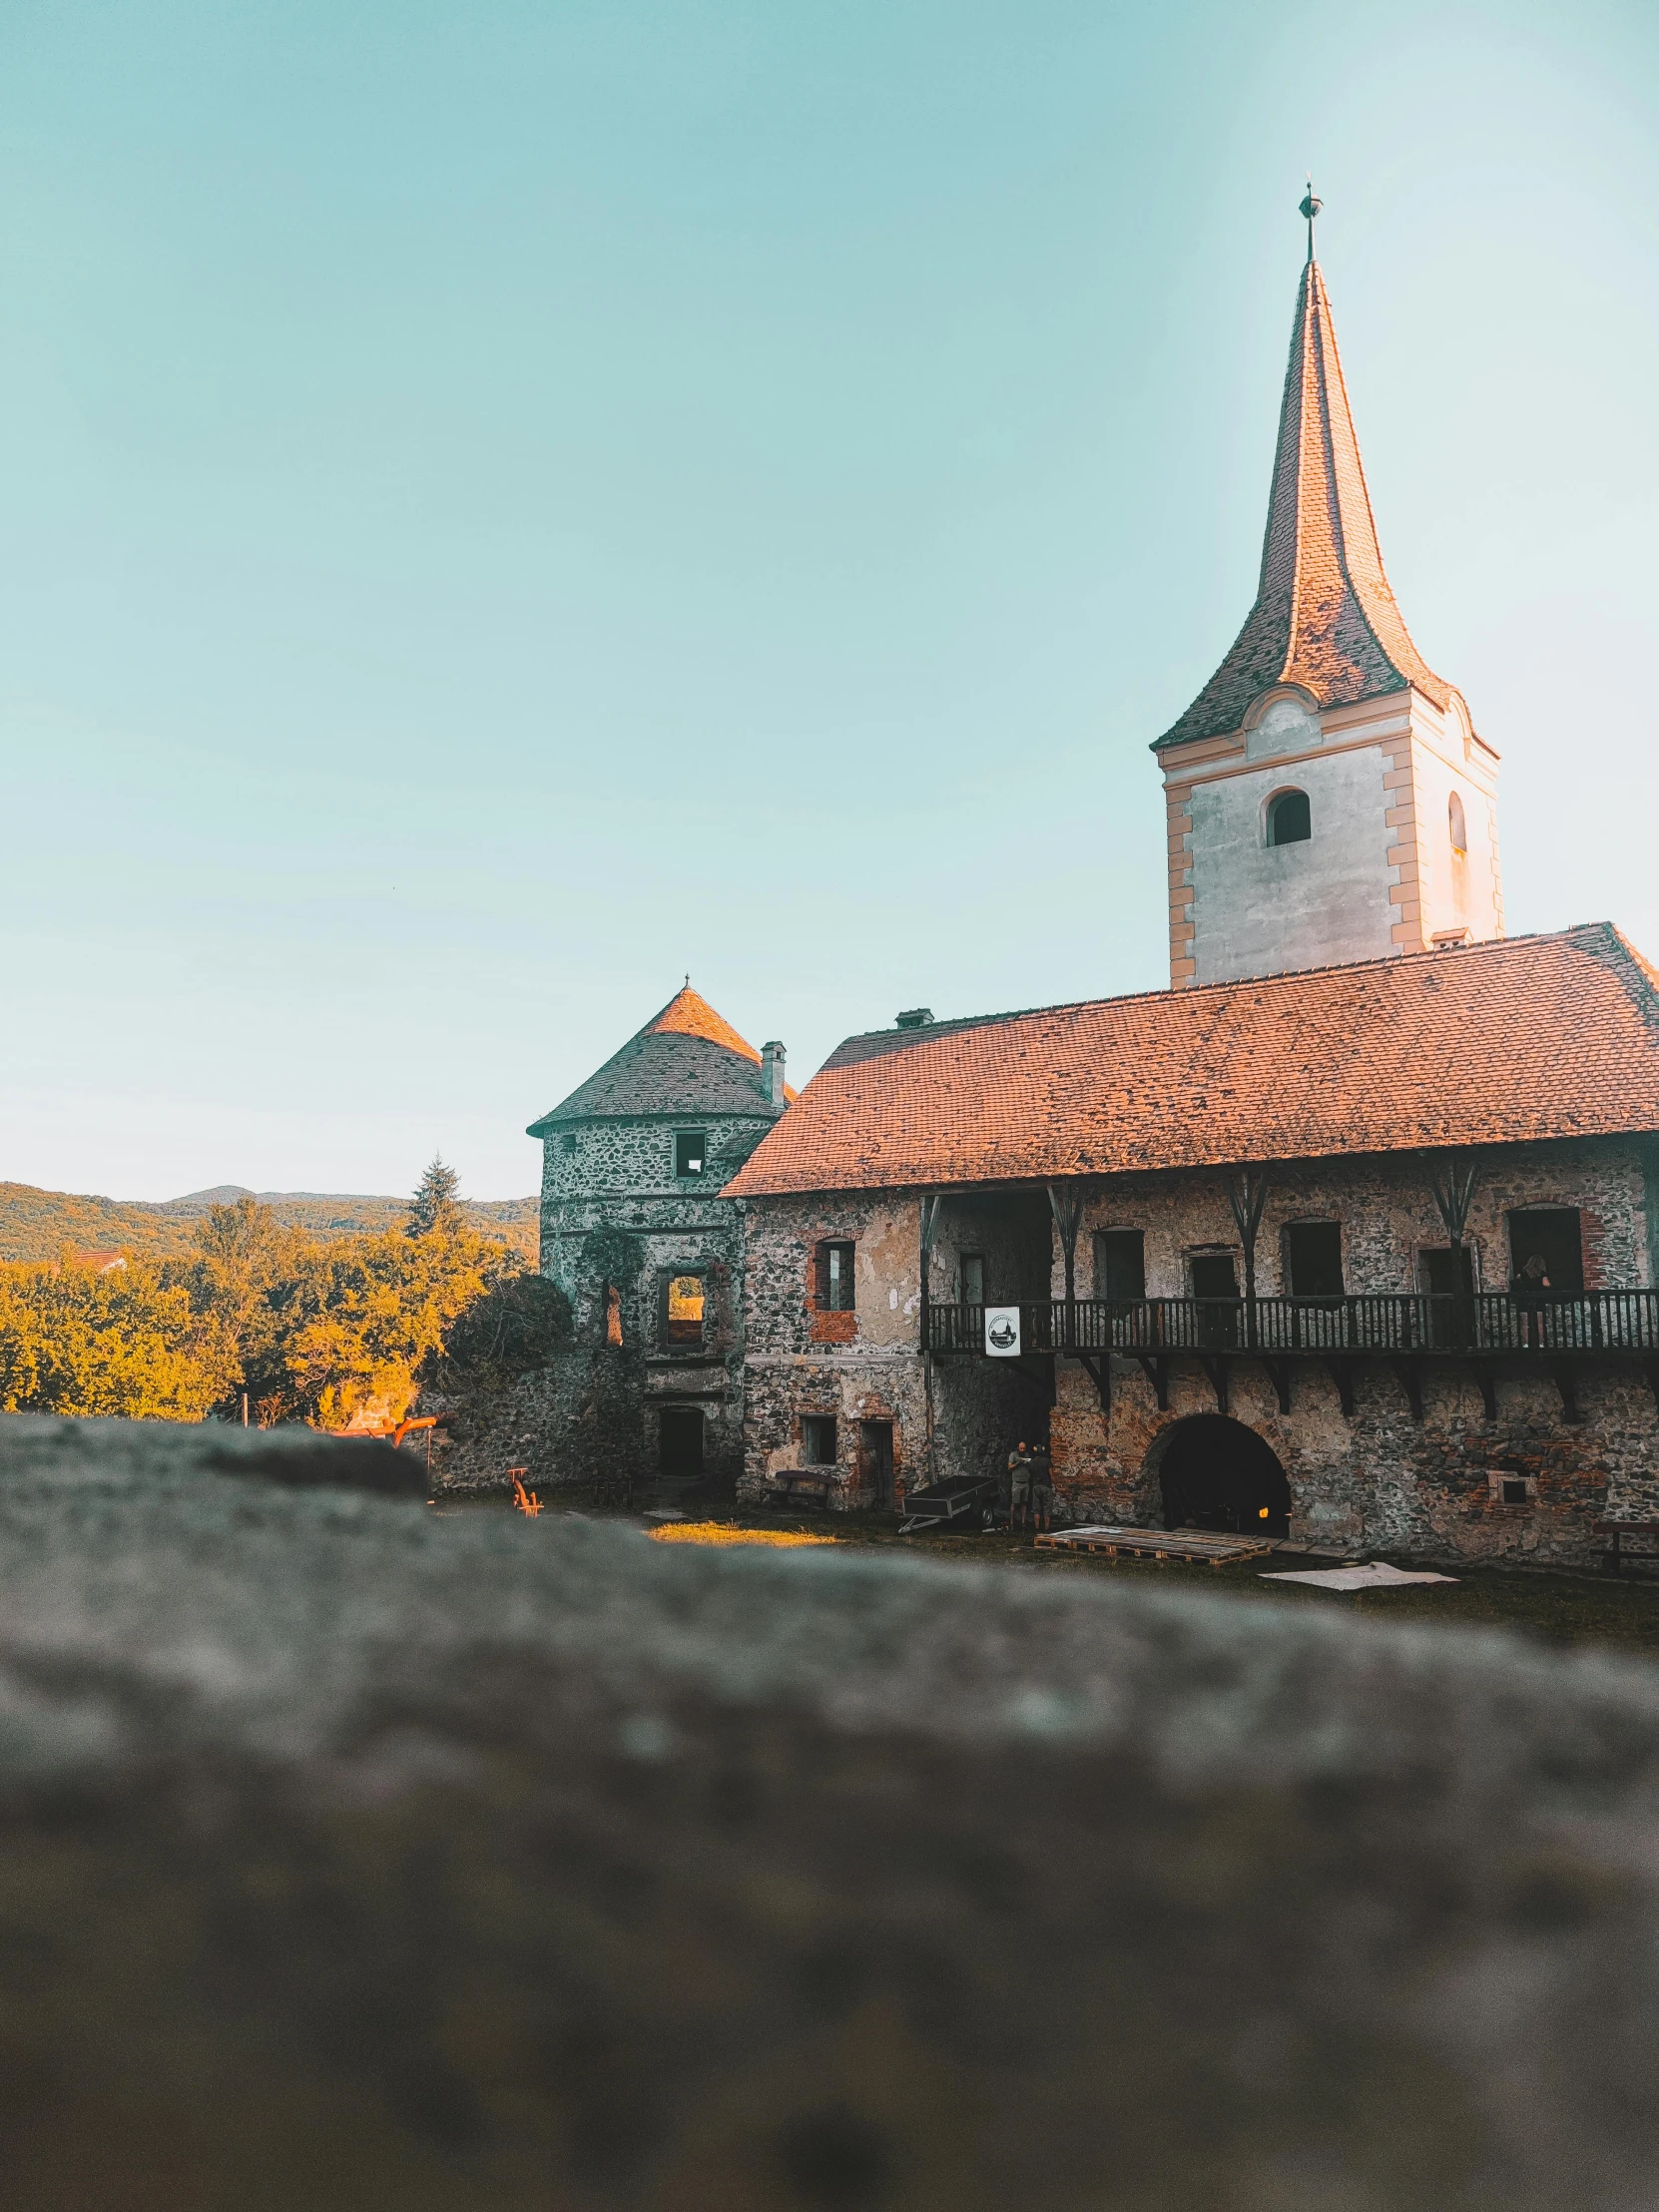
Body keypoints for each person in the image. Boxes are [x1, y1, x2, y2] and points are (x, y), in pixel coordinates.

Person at [1513, 1252, 1550, 1350]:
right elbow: (1546, 1284)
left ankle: (1525, 1343)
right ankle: (1541, 1343)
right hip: (1538, 1299)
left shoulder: (1522, 1271)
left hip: (1524, 1299)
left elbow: (1517, 1282)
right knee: (1540, 1322)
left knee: (1524, 1323)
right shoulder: (1542, 1273)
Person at [1007, 1441, 1033, 1530]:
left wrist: (1028, 1473)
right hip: (1017, 1482)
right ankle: (1011, 1522)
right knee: (1014, 1503)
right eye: (1021, 1448)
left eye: (1024, 1448)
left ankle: (1023, 1522)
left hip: (1025, 1482)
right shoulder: (1013, 1455)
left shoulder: (1026, 1454)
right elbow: (1009, 1467)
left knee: (1024, 1503)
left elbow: (1029, 1467)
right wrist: (1017, 1463)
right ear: (1018, 1447)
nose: (1022, 1450)